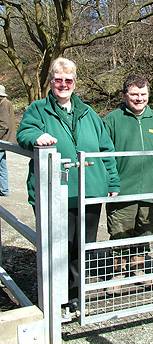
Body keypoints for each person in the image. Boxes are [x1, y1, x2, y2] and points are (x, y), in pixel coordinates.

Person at [16, 57, 120, 310]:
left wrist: (112, 179)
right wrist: (37, 136)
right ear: (51, 81)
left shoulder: (89, 113)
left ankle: (75, 295)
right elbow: (24, 132)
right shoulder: (38, 110)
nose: (63, 84)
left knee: (82, 246)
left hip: (89, 191)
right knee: (57, 246)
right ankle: (54, 297)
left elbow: (105, 148)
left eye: (68, 80)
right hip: (56, 191)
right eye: (58, 79)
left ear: (75, 82)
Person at [103, 74, 153, 293]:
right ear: (125, 95)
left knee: (145, 231)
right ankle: (117, 274)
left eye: (143, 94)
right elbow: (103, 155)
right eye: (134, 94)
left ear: (148, 95)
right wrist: (110, 183)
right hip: (122, 190)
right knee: (120, 232)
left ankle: (138, 269)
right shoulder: (112, 120)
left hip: (151, 191)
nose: (139, 98)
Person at [0, 85, 16, 196]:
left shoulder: (3, 104)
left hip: (2, 139)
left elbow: (3, 125)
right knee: (2, 164)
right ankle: (4, 190)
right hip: (4, 139)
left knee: (1, 164)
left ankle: (4, 190)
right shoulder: (5, 103)